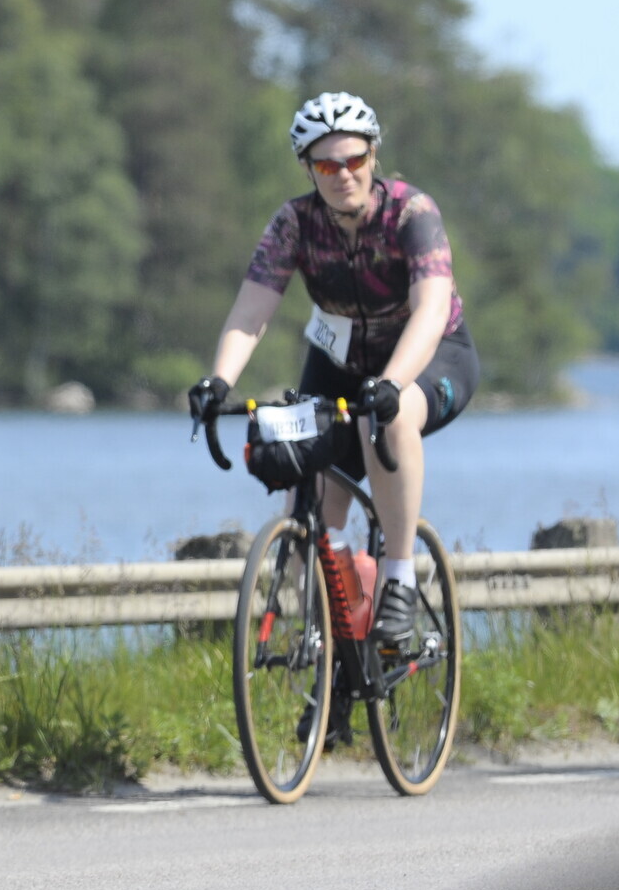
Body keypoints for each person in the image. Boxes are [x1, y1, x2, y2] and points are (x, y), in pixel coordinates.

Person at [190, 91, 479, 665]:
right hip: (339, 361)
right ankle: (335, 648)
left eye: (355, 160)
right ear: (308, 169)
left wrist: (392, 382)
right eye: (327, 166)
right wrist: (218, 381)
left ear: (374, 156)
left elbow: (430, 308)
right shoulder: (294, 224)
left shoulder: (410, 213)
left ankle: (398, 577)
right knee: (309, 495)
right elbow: (251, 312)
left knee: (388, 421)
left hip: (429, 354)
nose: (343, 175)